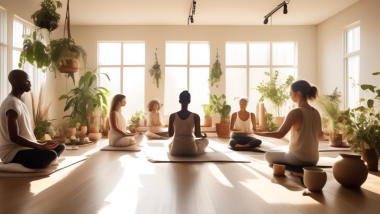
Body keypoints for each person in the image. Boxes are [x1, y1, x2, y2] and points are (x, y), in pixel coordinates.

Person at [0, 70, 65, 169]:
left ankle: (43, 160)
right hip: (12, 152)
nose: (30, 83)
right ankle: (44, 161)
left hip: (26, 148)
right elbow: (14, 137)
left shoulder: (18, 102)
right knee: (51, 155)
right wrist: (39, 146)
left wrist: (40, 143)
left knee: (60, 147)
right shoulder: (11, 102)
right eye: (27, 81)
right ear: (16, 81)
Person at [254, 80, 324, 166]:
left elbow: (280, 134)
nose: (290, 96)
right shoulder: (316, 112)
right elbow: (320, 136)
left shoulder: (296, 112)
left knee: (268, 155)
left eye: (291, 93)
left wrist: (258, 134)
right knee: (281, 152)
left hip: (298, 159)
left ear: (298, 94)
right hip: (314, 160)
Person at [168, 91, 208, 156]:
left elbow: (170, 134)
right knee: (206, 141)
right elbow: (197, 135)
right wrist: (203, 136)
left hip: (175, 150)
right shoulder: (196, 116)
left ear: (179, 101)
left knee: (170, 144)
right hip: (191, 150)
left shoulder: (172, 116)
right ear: (189, 101)